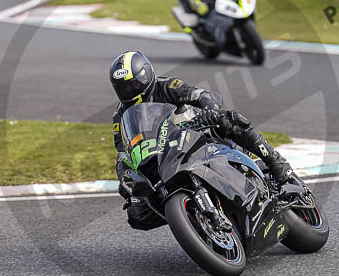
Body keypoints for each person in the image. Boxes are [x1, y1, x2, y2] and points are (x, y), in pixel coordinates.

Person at [109, 51, 294, 231]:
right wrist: (126, 181)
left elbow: (203, 95)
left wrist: (209, 110)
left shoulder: (167, 86)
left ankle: (275, 161)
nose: (129, 91)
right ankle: (191, 217)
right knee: (137, 214)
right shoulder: (120, 115)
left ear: (146, 76)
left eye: (133, 85)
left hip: (198, 135)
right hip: (164, 160)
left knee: (229, 119)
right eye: (123, 88)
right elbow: (123, 151)